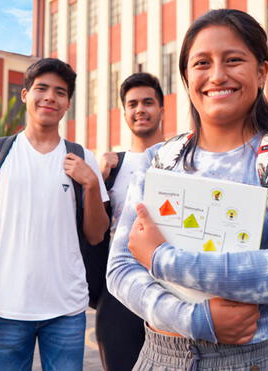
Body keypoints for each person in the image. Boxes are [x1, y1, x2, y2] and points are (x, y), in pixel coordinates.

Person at [106, 9, 268, 370]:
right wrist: (194, 318)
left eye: (234, 60)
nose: (217, 75)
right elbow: (120, 269)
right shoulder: (158, 160)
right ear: (186, 77)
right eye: (202, 63)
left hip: (258, 358)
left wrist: (161, 258)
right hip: (160, 356)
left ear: (260, 72)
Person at [0, 58, 109, 371]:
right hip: (8, 308)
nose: (50, 97)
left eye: (60, 92)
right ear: (25, 94)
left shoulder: (82, 157)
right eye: (41, 88)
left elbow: (96, 235)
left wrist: (92, 185)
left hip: (66, 310)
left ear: (68, 103)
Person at [95, 72, 165, 370]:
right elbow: (94, 232)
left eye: (148, 102)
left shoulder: (179, 157)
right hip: (119, 293)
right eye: (132, 103)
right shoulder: (112, 166)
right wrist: (97, 181)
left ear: (161, 108)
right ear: (124, 112)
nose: (140, 109)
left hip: (168, 288)